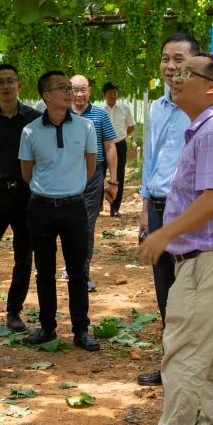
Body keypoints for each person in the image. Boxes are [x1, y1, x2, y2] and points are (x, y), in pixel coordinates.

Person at [118, 53, 213, 425]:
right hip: (210, 258)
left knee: (185, 346)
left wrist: (164, 234)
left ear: (210, 86)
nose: (176, 76)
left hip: (208, 260)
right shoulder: (205, 130)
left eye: (187, 72)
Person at [18, 71, 100, 352]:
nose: (69, 92)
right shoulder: (30, 131)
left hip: (73, 206)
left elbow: (90, 167)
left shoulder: (85, 127)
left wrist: (70, 186)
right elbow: (27, 173)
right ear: (46, 95)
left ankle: (81, 329)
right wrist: (50, 188)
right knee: (44, 271)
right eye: (62, 88)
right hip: (41, 207)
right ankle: (47, 327)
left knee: (78, 271)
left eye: (70, 87)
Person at [135, 33, 200, 386]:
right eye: (165, 59)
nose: (171, 66)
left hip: (188, 211)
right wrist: (145, 207)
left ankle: (193, 367)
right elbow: (151, 158)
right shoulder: (158, 108)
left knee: (190, 289)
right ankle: (172, 363)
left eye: (179, 59)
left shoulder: (202, 108)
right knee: (165, 288)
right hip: (159, 208)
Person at [0, 64, 41, 333]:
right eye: (0, 82)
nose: (6, 86)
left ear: (19, 85)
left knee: (23, 255)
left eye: (11, 81)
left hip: (25, 194)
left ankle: (14, 311)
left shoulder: (34, 119)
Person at [69, 75, 117, 292]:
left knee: (87, 225)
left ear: (90, 91)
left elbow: (109, 146)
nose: (79, 94)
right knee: (67, 224)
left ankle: (82, 274)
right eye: (74, 90)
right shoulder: (61, 113)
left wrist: (113, 180)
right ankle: (71, 267)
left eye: (83, 89)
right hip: (66, 175)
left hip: (94, 175)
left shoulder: (100, 114)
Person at [101, 82, 135, 217]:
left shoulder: (124, 108)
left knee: (118, 176)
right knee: (100, 175)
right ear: (104, 95)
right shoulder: (99, 110)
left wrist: (122, 136)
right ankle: (97, 205)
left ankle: (114, 207)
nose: (113, 95)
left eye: (115, 92)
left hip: (119, 145)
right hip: (103, 145)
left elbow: (131, 126)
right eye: (110, 93)